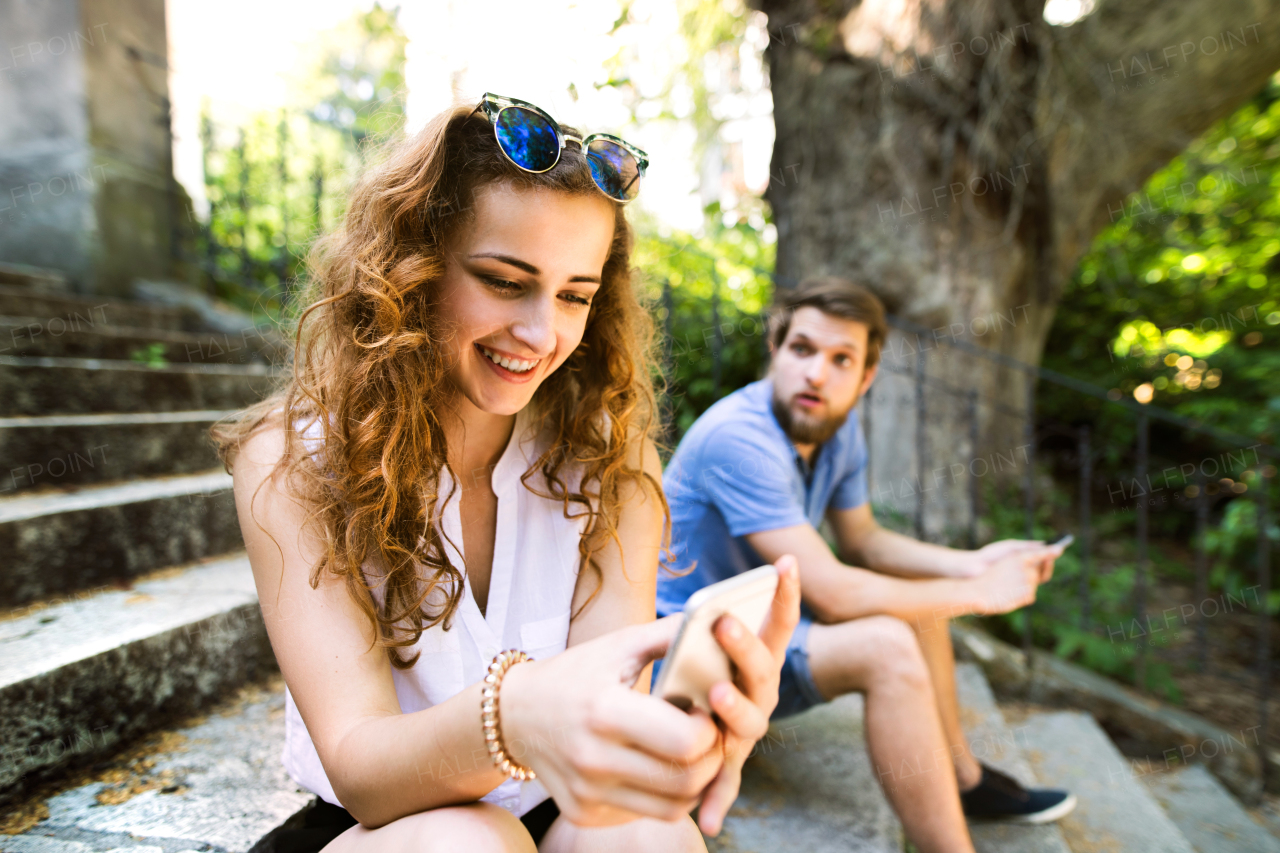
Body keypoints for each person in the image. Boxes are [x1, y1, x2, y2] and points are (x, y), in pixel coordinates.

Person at [213, 92, 801, 853]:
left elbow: (611, 710)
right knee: (472, 842)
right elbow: (362, 765)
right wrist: (513, 712)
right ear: (411, 268)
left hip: (555, 805)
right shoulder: (290, 461)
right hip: (388, 824)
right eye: (503, 280)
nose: (540, 332)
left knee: (654, 835)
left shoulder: (610, 456)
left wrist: (692, 730)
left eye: (575, 295)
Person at [653, 276, 1076, 853]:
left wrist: (971, 565)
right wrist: (984, 593)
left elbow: (866, 541)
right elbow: (836, 595)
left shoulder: (838, 426)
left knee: (914, 593)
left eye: (841, 359)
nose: (817, 373)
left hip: (760, 639)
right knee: (885, 645)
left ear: (865, 377)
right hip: (683, 663)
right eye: (802, 349)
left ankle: (962, 780)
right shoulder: (739, 439)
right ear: (775, 350)